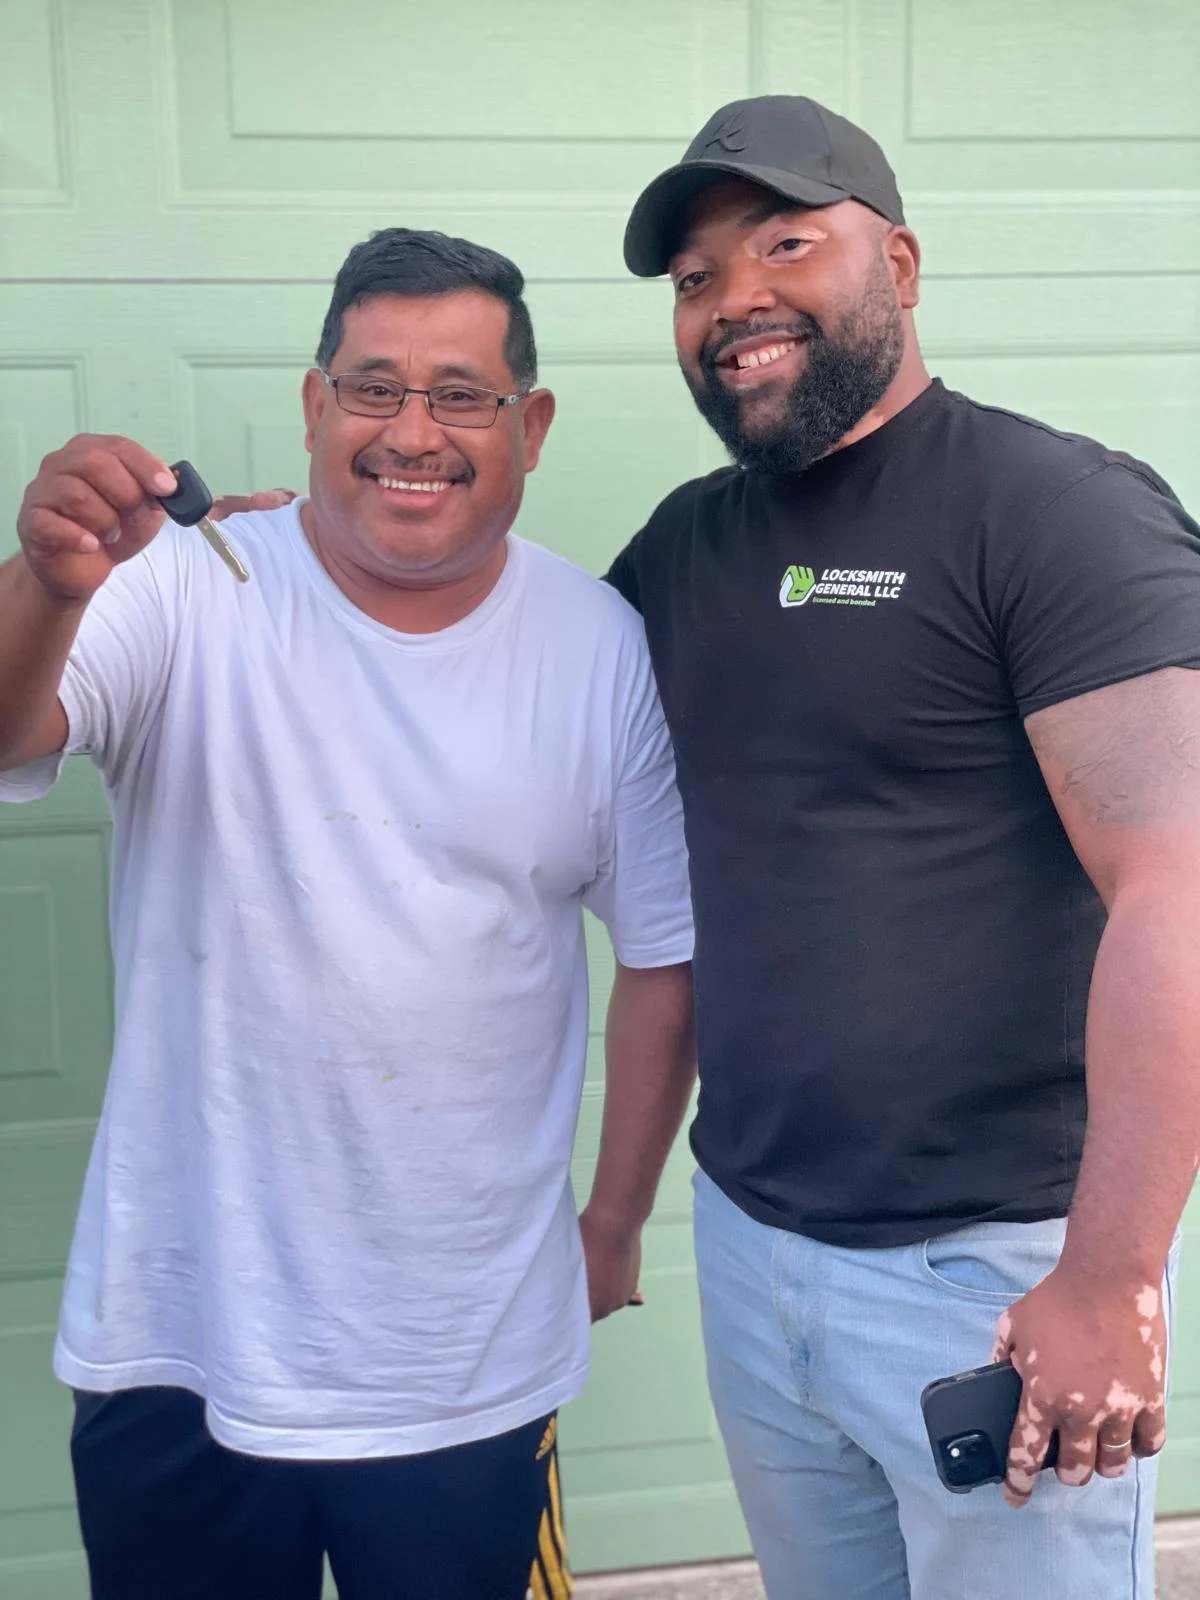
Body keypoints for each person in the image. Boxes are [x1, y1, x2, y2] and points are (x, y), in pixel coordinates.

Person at [0, 227, 696, 1600]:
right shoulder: (185, 587)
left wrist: (614, 1221)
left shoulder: (597, 646)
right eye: (374, 389)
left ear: (531, 425)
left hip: (465, 1367)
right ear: (317, 407)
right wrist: (50, 583)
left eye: (460, 394)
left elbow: (663, 960)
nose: (411, 432)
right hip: (175, 1336)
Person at [605, 95, 1200, 1599]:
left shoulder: (1051, 511)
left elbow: (1178, 884)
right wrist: (312, 556)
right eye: (694, 279)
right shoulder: (684, 549)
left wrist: (1113, 1276)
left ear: (905, 264)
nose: (734, 300)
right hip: (751, 1245)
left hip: (992, 1277)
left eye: (786, 243)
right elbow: (493, 679)